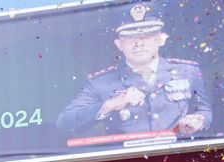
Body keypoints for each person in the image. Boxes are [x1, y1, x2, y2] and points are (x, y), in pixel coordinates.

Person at [55, 6, 212, 143]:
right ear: (119, 44)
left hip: (178, 158)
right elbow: (64, 123)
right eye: (130, 37)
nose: (139, 43)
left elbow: (205, 110)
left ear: (161, 39)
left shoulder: (188, 72)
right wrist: (112, 104)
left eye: (147, 35)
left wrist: (199, 120)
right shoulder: (100, 83)